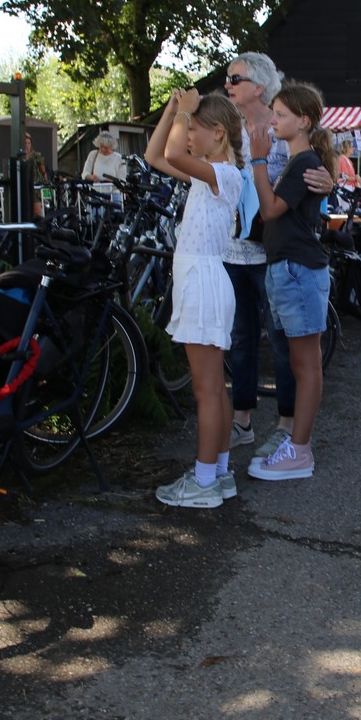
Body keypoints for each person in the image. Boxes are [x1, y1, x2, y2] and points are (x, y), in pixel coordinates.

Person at [220, 52, 332, 459]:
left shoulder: (283, 125)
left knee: (285, 346)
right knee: (241, 338)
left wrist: (329, 183)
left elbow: (310, 179)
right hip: (236, 249)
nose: (227, 85)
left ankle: (288, 428)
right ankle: (243, 420)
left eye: (235, 78)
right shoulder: (227, 126)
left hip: (277, 254)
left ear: (259, 88)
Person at [143, 89, 245, 507]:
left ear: (217, 133)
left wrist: (184, 110)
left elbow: (173, 153)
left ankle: (203, 483)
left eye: (194, 129)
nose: (187, 135)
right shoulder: (209, 174)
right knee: (214, 388)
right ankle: (218, 473)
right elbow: (155, 155)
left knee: (206, 390)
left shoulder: (224, 174)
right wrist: (174, 110)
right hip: (203, 282)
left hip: (203, 283)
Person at [247, 81, 338, 481]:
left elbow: (270, 210)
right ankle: (297, 446)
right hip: (289, 269)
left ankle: (300, 451)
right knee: (301, 362)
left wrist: (258, 159)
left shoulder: (303, 162)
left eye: (280, 115)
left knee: (306, 364)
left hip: (298, 270)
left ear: (303, 121)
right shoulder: (300, 160)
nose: (273, 121)